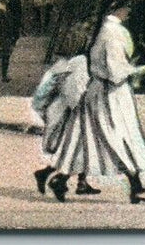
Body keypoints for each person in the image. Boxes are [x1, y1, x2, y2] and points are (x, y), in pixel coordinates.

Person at [48, 0, 145, 205]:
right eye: (126, 7)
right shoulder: (112, 33)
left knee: (87, 139)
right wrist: (138, 69)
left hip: (101, 90)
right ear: (116, 7)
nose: (129, 11)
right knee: (120, 137)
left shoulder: (106, 29)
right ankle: (137, 188)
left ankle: (61, 180)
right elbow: (115, 70)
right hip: (110, 93)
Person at [32, 50, 100, 199]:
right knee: (76, 149)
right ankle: (53, 177)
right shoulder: (77, 63)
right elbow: (74, 93)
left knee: (80, 147)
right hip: (68, 113)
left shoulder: (67, 64)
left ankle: (80, 182)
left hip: (66, 112)